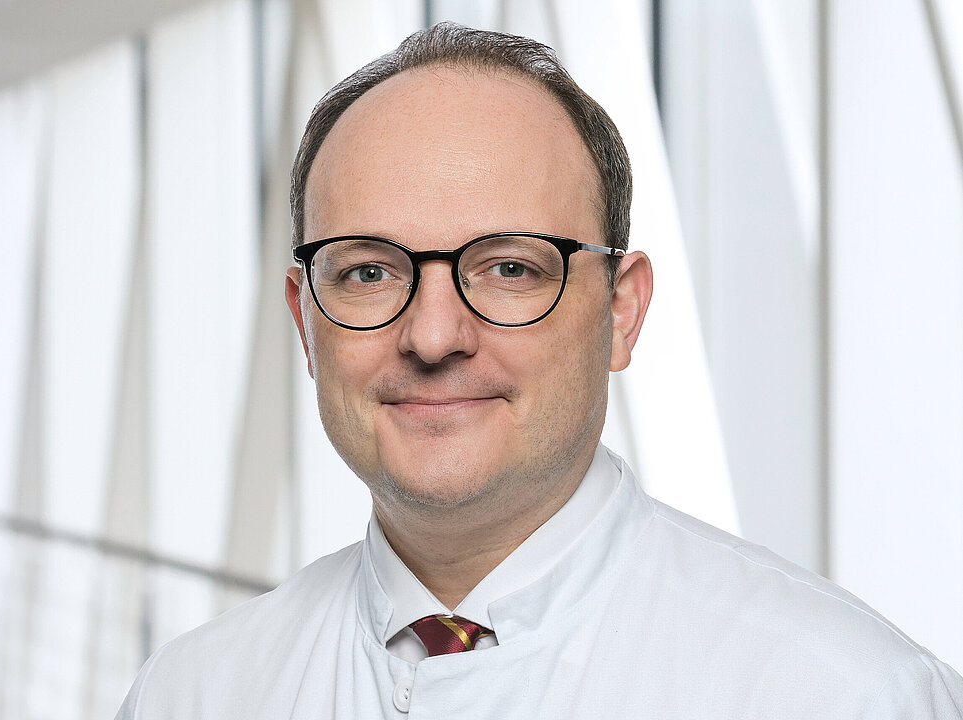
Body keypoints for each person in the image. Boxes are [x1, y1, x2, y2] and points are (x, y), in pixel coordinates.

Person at [116, 22, 963, 718]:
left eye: (509, 268)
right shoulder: (192, 693)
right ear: (305, 321)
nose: (434, 334)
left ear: (621, 312)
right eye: (369, 271)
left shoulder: (840, 695)